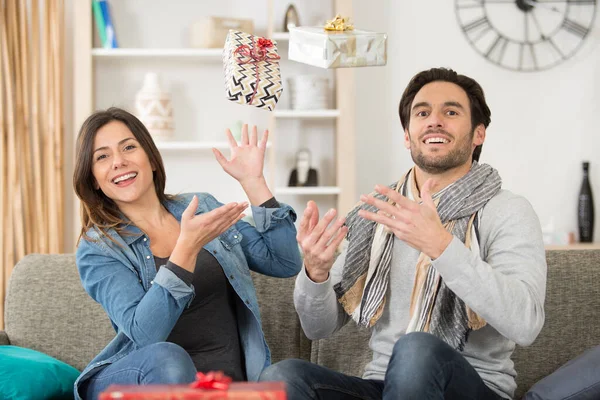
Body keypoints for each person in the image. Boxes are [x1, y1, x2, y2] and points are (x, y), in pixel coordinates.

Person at [260, 67, 547, 400]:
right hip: (383, 386)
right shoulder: (377, 213)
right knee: (281, 378)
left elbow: (526, 324)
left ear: (478, 134)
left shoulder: (508, 210)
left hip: (474, 389)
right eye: (422, 113)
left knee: (417, 350)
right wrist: (316, 273)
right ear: (408, 136)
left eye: (451, 112)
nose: (434, 121)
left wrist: (442, 247)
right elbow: (318, 327)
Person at [72, 107, 302, 400]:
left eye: (129, 147)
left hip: (221, 383)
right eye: (102, 156)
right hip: (138, 381)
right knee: (168, 357)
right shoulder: (98, 248)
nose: (118, 161)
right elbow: (145, 335)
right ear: (93, 178)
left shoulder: (201, 208)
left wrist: (254, 183)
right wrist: (185, 250)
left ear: (152, 159)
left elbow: (284, 262)